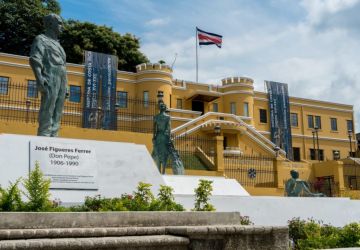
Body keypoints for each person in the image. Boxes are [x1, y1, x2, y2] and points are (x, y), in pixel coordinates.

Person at [30, 13, 67, 137]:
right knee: (48, 106)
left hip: (61, 76)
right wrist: (39, 78)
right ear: (51, 24)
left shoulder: (59, 44)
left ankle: (54, 134)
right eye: (60, 23)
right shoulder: (41, 39)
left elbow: (63, 65)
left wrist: (65, 84)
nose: (62, 26)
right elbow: (35, 59)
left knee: (58, 108)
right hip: (50, 75)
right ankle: (44, 133)